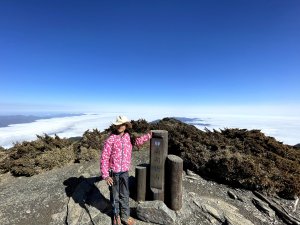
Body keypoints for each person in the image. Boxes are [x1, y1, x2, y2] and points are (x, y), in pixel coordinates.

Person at [100, 115, 152, 225]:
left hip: (124, 171)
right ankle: (116, 216)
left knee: (124, 194)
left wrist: (149, 136)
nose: (120, 126)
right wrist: (105, 175)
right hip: (113, 172)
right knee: (115, 196)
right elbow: (104, 157)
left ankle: (125, 215)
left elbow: (138, 141)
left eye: (122, 124)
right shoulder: (111, 139)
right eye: (118, 124)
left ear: (126, 126)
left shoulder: (129, 137)